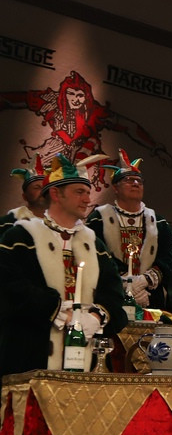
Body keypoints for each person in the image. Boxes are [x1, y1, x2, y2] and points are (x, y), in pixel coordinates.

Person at [0, 153, 127, 375]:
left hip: (85, 364)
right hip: (29, 359)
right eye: (79, 192)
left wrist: (95, 317)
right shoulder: (20, 237)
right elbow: (9, 288)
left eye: (88, 193)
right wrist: (59, 311)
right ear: (56, 194)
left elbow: (114, 295)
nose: (87, 200)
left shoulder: (94, 244)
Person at [86, 148, 172, 310]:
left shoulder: (158, 221)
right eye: (128, 180)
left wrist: (144, 281)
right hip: (110, 295)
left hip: (149, 296)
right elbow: (95, 254)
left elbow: (169, 257)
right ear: (115, 187)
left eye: (139, 181)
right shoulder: (99, 218)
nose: (135, 183)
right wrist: (124, 282)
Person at [1, 155, 48, 237]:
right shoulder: (7, 223)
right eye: (37, 187)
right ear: (24, 196)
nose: (42, 191)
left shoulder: (63, 224)